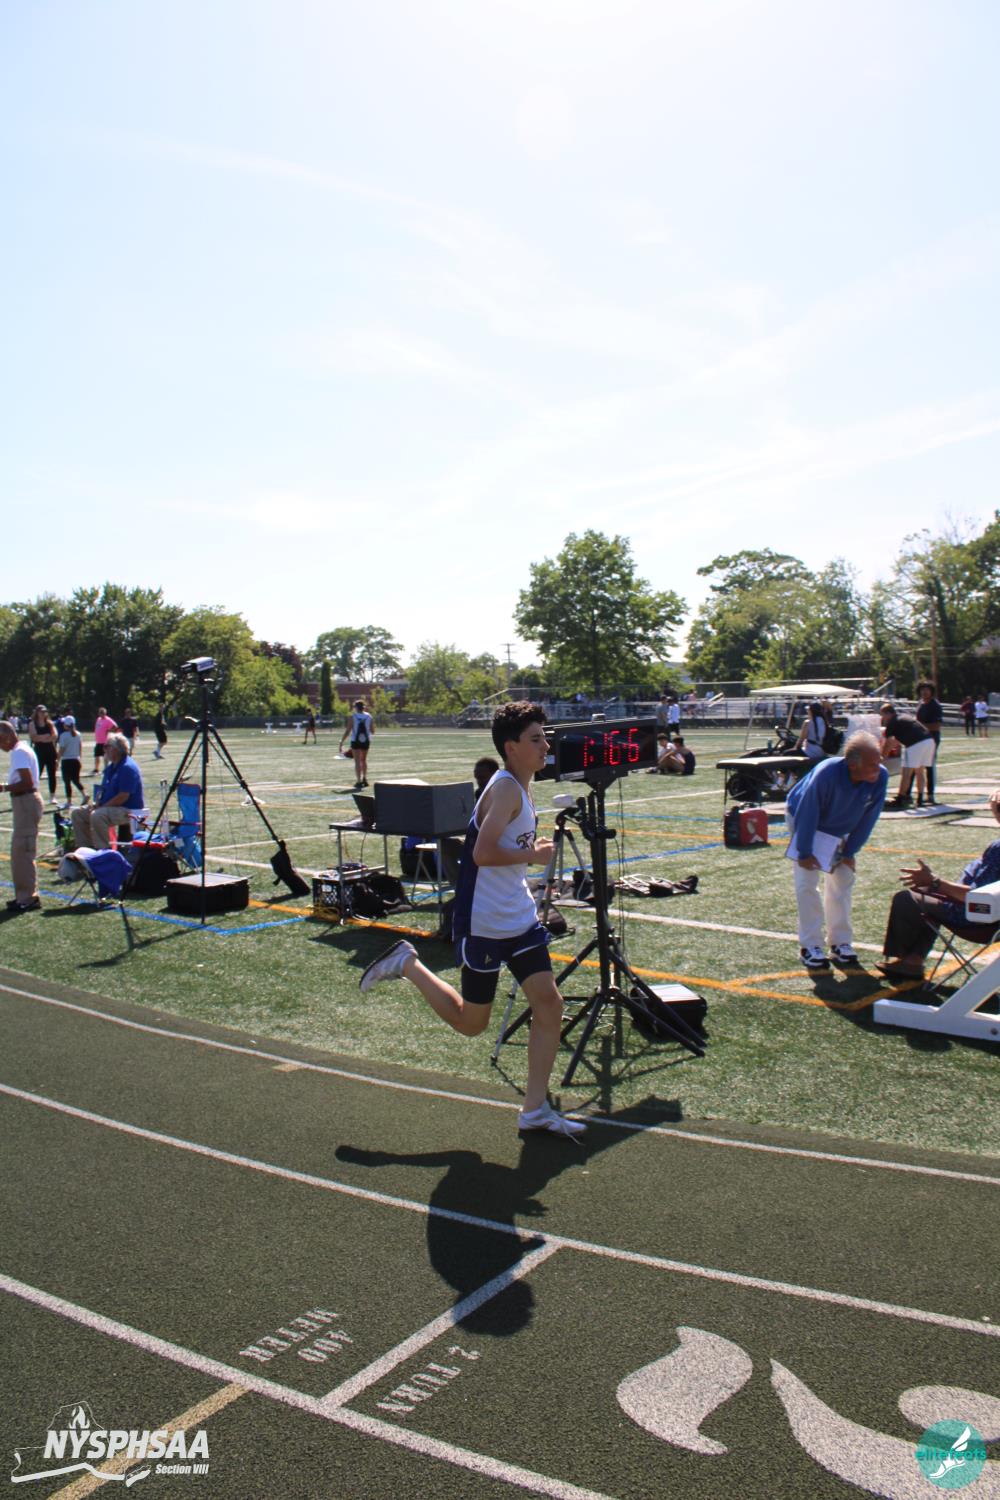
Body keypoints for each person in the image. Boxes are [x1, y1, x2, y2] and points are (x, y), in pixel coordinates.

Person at [358, 701, 585, 1138]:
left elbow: (501, 846)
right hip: (484, 923)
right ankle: (407, 963)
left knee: (549, 1004)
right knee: (471, 1023)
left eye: (545, 737)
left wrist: (526, 854)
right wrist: (533, 854)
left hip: (517, 916)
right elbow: (480, 854)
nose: (546, 745)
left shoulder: (521, 786)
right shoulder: (506, 789)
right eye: (536, 738)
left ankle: (535, 1110)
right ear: (511, 747)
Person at [785, 731, 887, 971]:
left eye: (879, 761)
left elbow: (869, 817)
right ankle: (810, 945)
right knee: (806, 882)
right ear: (853, 765)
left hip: (839, 828)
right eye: (872, 764)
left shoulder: (880, 777)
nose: (879, 767)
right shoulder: (827, 773)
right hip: (806, 820)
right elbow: (808, 812)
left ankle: (840, 942)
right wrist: (804, 852)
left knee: (843, 878)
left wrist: (850, 852)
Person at [876, 789, 1000, 982]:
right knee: (924, 893)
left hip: (978, 917)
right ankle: (913, 960)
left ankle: (908, 961)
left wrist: (935, 882)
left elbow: (976, 897)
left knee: (907, 898)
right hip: (991, 915)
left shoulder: (997, 849)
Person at [71, 733, 145, 850]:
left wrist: (102, 807)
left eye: (107, 746)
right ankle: (86, 849)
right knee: (78, 814)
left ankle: (104, 851)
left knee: (98, 815)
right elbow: (104, 790)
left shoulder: (127, 768)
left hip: (129, 809)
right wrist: (97, 804)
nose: (104, 749)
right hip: (111, 807)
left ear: (117, 749)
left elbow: (123, 796)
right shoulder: (111, 768)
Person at [0, 720, 44, 913]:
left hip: (26, 802)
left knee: (23, 851)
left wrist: (4, 788)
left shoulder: (19, 752)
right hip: (25, 802)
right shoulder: (22, 750)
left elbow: (27, 782)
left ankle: (27, 897)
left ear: (7, 736)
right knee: (21, 851)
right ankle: (24, 895)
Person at [878, 702, 934, 809]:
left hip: (915, 743)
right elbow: (896, 740)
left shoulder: (892, 722)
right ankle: (920, 798)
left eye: (883, 715)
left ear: (887, 714)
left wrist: (882, 758)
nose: (882, 718)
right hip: (929, 740)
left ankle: (901, 797)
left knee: (906, 772)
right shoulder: (903, 717)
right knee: (919, 771)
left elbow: (888, 743)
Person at [914, 681, 943, 806]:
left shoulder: (935, 705)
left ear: (931, 691)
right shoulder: (920, 704)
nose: (924, 692)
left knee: (929, 766)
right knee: (915, 765)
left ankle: (930, 795)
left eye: (927, 690)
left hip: (931, 739)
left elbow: (937, 726)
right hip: (919, 739)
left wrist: (920, 726)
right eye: (922, 690)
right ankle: (911, 793)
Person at [339, 700, 374, 789]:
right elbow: (372, 731)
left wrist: (341, 741)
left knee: (357, 761)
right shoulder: (369, 716)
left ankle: (358, 781)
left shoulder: (353, 716)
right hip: (366, 741)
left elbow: (348, 730)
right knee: (364, 760)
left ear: (356, 707)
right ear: (363, 707)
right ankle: (365, 779)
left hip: (355, 740)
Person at [28, 705, 59, 801]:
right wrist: (46, 736)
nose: (43, 713)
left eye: (45, 711)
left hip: (50, 751)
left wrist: (42, 737)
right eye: (41, 711)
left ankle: (52, 796)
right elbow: (34, 737)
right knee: (37, 774)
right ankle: (33, 794)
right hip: (39, 752)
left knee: (52, 774)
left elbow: (55, 736)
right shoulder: (32, 724)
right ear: (37, 712)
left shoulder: (50, 723)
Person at [57, 714, 87, 807]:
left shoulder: (63, 735)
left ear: (66, 725)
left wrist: (57, 760)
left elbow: (62, 749)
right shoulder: (78, 734)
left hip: (67, 761)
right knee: (76, 780)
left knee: (67, 782)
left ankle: (69, 801)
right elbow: (80, 747)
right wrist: (79, 757)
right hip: (76, 760)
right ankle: (84, 794)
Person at [91, 707, 119, 777]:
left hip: (105, 741)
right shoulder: (98, 719)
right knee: (96, 755)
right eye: (100, 712)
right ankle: (96, 769)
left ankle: (106, 769)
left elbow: (115, 727)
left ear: (105, 713)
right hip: (98, 741)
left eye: (103, 713)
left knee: (105, 756)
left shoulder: (108, 720)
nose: (101, 714)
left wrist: (109, 730)